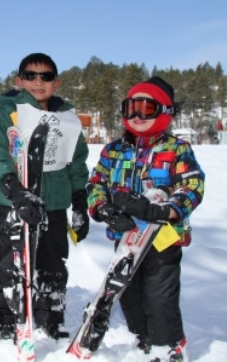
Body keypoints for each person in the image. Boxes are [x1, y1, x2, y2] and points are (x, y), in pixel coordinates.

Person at [87, 76, 204, 361]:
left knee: (159, 296)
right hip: (126, 236)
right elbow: (96, 183)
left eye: (147, 108)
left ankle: (169, 344)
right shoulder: (114, 149)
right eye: (131, 108)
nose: (137, 115)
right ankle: (143, 335)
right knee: (127, 291)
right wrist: (103, 209)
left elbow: (192, 185)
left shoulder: (176, 149)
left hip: (163, 240)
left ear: (164, 112)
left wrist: (165, 210)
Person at [0, 53, 90, 340]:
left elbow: (77, 160)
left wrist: (80, 198)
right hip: (14, 199)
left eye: (45, 76)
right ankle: (4, 313)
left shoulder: (67, 117)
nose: (38, 81)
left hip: (54, 200)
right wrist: (13, 187)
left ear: (57, 81)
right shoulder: (8, 111)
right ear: (19, 80)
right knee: (11, 257)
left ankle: (49, 311)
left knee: (53, 259)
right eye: (30, 75)